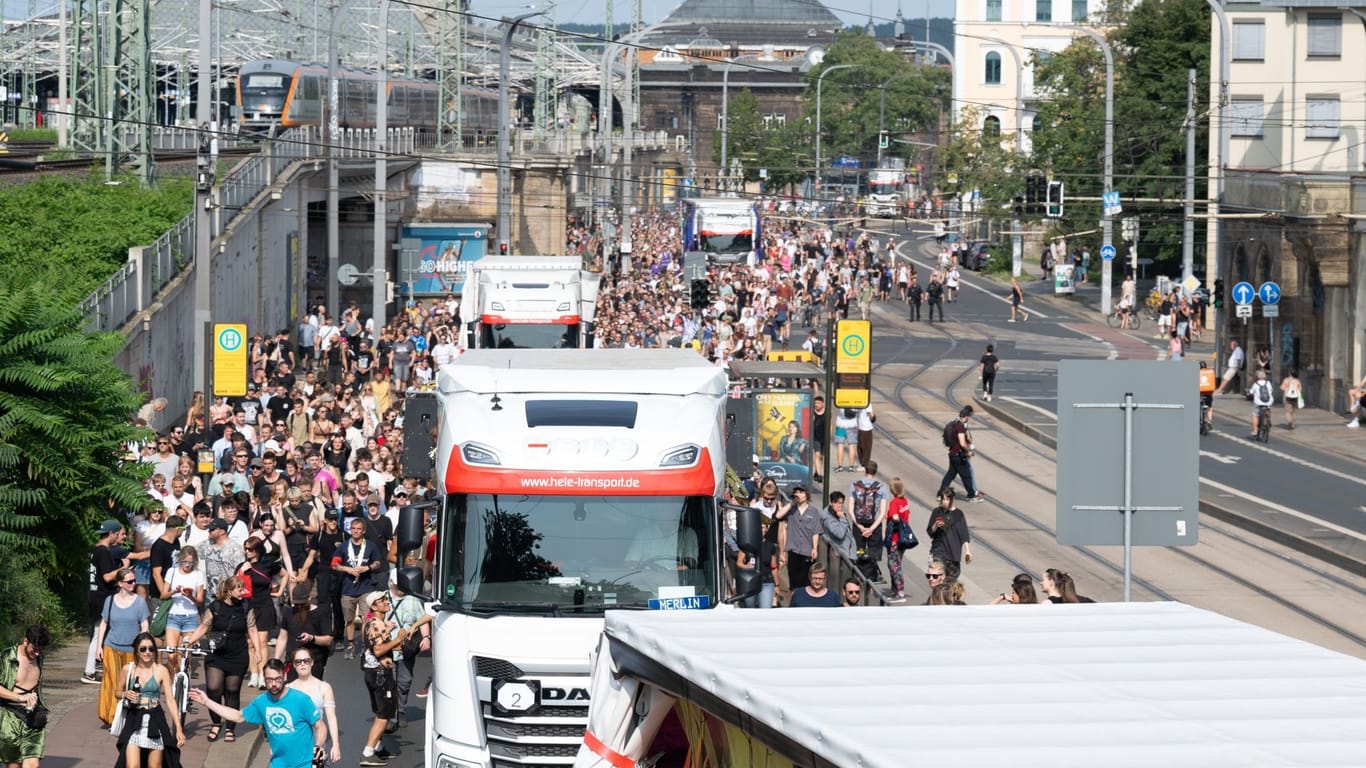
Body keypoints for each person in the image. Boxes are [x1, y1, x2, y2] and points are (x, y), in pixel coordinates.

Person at [190, 658, 326, 768]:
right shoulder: (261, 702)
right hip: (278, 764)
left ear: (284, 676)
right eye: (269, 680)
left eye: (277, 679)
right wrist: (207, 701)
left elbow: (320, 726)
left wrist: (318, 746)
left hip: (305, 764)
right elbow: (238, 716)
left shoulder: (300, 699)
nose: (273, 684)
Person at [184, 576, 254, 743]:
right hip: (217, 654)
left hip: (238, 655)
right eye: (239, 589)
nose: (243, 592)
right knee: (214, 688)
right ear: (229, 592)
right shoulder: (215, 606)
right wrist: (190, 641)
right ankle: (216, 723)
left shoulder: (246, 606)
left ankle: (230, 727)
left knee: (231, 691)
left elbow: (252, 629)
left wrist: (257, 651)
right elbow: (204, 626)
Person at [113, 633, 184, 768]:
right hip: (134, 718)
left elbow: (170, 700)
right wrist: (125, 694)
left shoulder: (161, 670)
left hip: (155, 720)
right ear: (137, 651)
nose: (147, 652)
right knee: (132, 765)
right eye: (143, 649)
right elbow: (116, 692)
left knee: (155, 766)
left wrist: (179, 729)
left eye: (151, 649)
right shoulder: (128, 669)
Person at [97, 567, 151, 726]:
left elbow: (145, 625)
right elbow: (104, 623)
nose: (133, 584)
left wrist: (142, 646)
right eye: (129, 581)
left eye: (134, 581)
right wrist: (98, 647)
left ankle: (131, 715)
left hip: (131, 650)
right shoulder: (110, 601)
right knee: (112, 682)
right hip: (111, 647)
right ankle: (113, 717)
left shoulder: (140, 601)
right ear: (120, 583)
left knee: (132, 684)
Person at [85, 519, 130, 686]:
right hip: (102, 595)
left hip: (94, 594)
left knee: (99, 631)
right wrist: (123, 569)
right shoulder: (103, 551)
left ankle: (97, 666)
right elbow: (107, 576)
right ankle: (90, 671)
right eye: (117, 534)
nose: (118, 537)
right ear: (111, 534)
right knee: (99, 632)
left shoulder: (95, 549)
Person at [333, 518, 383, 660]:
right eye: (353, 528)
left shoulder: (370, 546)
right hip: (348, 589)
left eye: (358, 529)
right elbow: (334, 564)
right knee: (348, 619)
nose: (355, 531)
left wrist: (367, 567)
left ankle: (365, 645)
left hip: (365, 589)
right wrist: (348, 569)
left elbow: (378, 563)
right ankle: (350, 644)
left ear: (364, 531)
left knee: (366, 618)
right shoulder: (343, 546)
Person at [0, 625, 50, 768]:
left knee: (32, 764)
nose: (38, 654)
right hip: (10, 718)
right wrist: (19, 697)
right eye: (35, 649)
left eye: (41, 650)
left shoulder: (39, 658)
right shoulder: (6, 657)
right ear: (25, 641)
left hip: (34, 718)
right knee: (14, 765)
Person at [287, 649, 340, 765]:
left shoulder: (324, 687)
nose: (302, 664)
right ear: (294, 665)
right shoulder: (287, 689)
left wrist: (336, 745)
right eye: (298, 661)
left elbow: (331, 718)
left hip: (317, 748)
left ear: (311, 662)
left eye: (306, 661)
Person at [160, 546, 204, 678]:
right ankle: (174, 681)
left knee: (185, 654)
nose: (187, 565)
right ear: (180, 560)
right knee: (171, 654)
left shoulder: (198, 574)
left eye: (191, 562)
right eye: (185, 562)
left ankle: (185, 683)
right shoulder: (171, 572)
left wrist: (189, 596)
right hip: (173, 615)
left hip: (190, 616)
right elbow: (163, 594)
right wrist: (175, 591)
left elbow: (200, 600)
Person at [773, 487, 820, 594]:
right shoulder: (791, 510)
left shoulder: (813, 512)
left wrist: (815, 548)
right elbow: (778, 515)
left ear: (806, 494)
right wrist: (791, 503)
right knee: (794, 584)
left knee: (807, 583)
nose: (798, 494)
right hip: (793, 551)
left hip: (807, 551)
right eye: (796, 492)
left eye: (801, 492)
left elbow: (816, 531)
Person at [847, 462, 888, 582]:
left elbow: (850, 510)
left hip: (859, 524)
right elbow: (882, 513)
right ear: (875, 471)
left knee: (859, 550)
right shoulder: (882, 488)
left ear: (865, 470)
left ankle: (859, 575)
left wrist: (859, 526)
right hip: (874, 526)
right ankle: (872, 576)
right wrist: (871, 529)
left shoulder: (854, 485)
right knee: (873, 552)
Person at [938, 405, 984, 502]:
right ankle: (972, 496)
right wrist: (969, 451)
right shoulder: (960, 427)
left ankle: (940, 495)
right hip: (959, 455)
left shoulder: (955, 424)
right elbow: (962, 443)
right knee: (966, 475)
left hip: (952, 453)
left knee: (950, 475)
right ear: (966, 417)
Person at [926, 489, 972, 582]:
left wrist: (967, 551)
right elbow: (930, 531)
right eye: (943, 499)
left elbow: (964, 534)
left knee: (951, 581)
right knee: (938, 576)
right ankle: (938, 594)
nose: (944, 502)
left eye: (947, 499)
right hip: (939, 550)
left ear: (951, 499)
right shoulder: (937, 512)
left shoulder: (958, 514)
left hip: (953, 552)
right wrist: (935, 525)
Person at [884, 478, 911, 599]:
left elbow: (895, 517)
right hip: (903, 538)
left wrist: (892, 516)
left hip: (895, 537)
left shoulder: (894, 502)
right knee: (896, 561)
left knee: (893, 564)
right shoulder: (904, 501)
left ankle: (899, 589)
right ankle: (894, 589)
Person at [1247, 368, 1275, 439]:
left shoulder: (1256, 384)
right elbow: (1271, 391)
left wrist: (1248, 393)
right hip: (1268, 402)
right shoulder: (1268, 383)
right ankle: (1268, 419)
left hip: (1259, 403)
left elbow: (1251, 392)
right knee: (1268, 408)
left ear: (1257, 377)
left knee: (1255, 415)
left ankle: (1255, 430)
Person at [832, 407, 858, 472]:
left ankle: (840, 466)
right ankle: (851, 467)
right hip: (852, 425)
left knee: (840, 446)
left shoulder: (841, 399)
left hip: (841, 425)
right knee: (851, 446)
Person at [1198, 361, 1217, 429]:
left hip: (1200, 393)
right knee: (1210, 407)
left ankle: (1199, 420)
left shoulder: (1197, 373)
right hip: (1209, 392)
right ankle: (1209, 421)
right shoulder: (1210, 372)